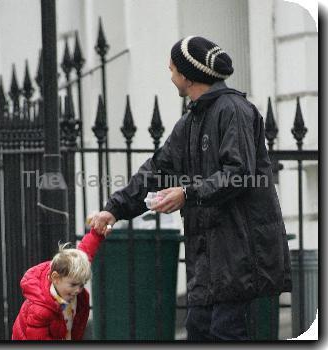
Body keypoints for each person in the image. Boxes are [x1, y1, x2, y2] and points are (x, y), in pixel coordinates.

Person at [91, 36, 291, 341]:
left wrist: (187, 193)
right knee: (199, 332)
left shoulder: (234, 110)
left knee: (226, 335)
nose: (170, 75)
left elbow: (238, 174)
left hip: (240, 257)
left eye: (172, 69)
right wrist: (114, 209)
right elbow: (157, 170)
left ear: (187, 74)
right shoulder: (191, 121)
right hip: (207, 263)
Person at [12, 228, 104, 340]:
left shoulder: (70, 277)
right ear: (55, 278)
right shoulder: (40, 310)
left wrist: (97, 234)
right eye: (73, 285)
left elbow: (86, 250)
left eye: (82, 285)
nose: (78, 290)